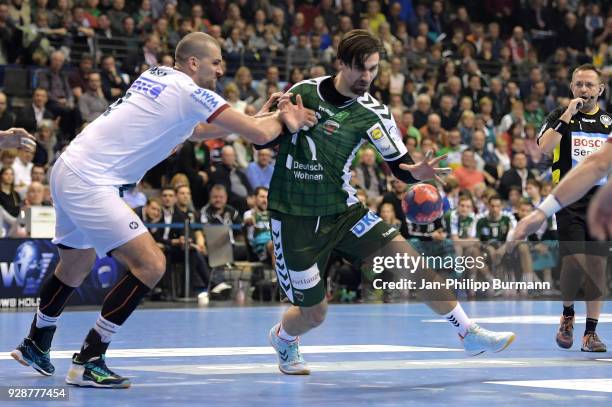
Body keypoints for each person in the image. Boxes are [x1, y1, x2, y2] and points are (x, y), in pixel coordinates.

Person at [10, 32, 316, 388]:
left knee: (76, 264)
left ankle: (36, 340)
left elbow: (196, 130)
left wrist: (257, 117)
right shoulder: (189, 91)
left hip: (68, 169)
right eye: (216, 63)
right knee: (152, 264)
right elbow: (261, 137)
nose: (221, 70)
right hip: (91, 180)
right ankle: (90, 358)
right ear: (193, 63)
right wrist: (283, 117)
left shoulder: (156, 76)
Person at [264, 30, 514, 376]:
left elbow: (401, 167)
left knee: (412, 263)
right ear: (340, 63)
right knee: (314, 313)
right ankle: (284, 338)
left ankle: (466, 331)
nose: (366, 77)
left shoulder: (373, 113)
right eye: (359, 69)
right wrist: (268, 119)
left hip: (344, 211)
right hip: (294, 218)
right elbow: (264, 142)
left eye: (373, 69)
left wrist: (417, 172)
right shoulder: (303, 93)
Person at [517, 64, 609, 352]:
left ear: (600, 89)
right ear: (572, 87)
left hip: (600, 204)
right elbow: (544, 149)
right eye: (579, 84)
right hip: (568, 200)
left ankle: (590, 334)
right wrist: (568, 115)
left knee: (597, 266)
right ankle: (568, 315)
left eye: (589, 85)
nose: (584, 90)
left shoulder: (608, 122)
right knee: (574, 262)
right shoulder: (559, 116)